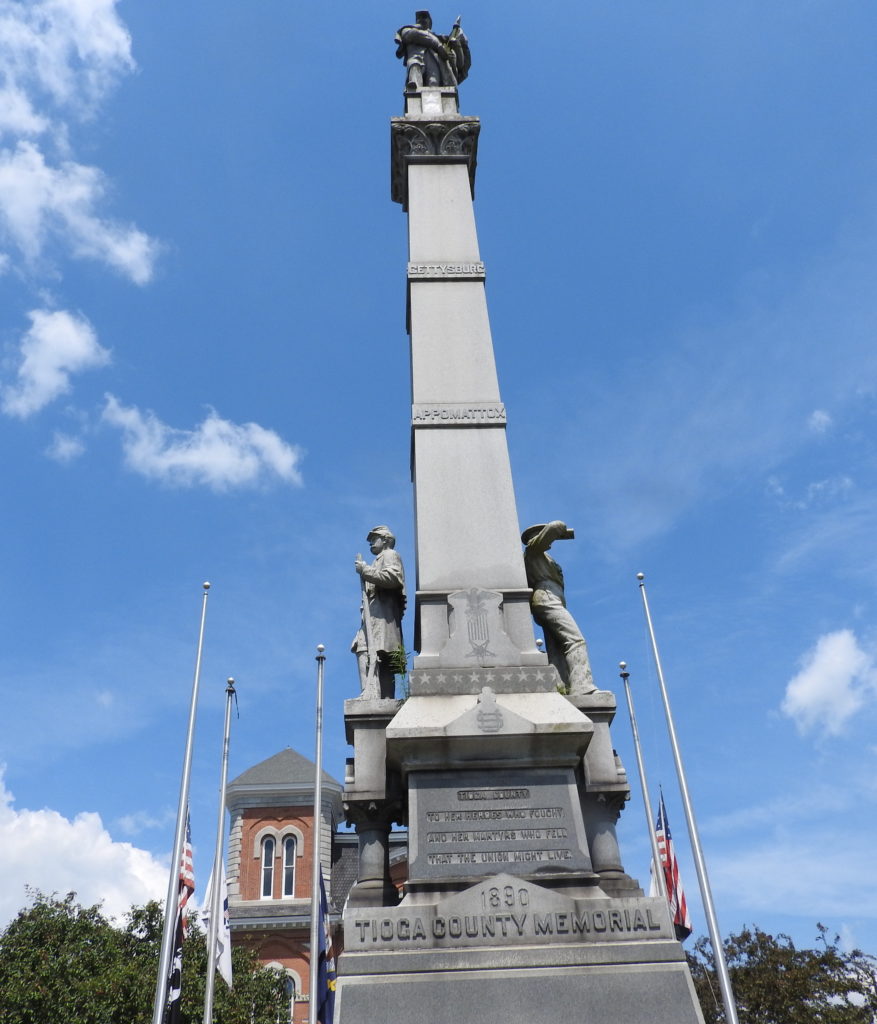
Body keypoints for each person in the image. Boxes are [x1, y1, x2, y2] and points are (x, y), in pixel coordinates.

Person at [521, 521, 596, 695]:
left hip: (551, 599)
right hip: (546, 599)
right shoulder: (533, 552)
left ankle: (561, 686)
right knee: (576, 640)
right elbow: (555, 527)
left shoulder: (545, 558)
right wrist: (560, 530)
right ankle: (582, 685)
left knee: (558, 649)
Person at [352, 526, 406, 699]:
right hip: (374, 612)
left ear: (385, 540)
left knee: (381, 652)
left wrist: (365, 571)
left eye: (374, 538)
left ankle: (383, 696)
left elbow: (392, 578)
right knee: (364, 647)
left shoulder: (390, 555)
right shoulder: (377, 560)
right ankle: (370, 693)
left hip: (384, 614)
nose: (370, 542)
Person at [395, 11, 470, 92]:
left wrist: (457, 45)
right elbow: (412, 35)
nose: (421, 19)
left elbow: (459, 64)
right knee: (415, 69)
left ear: (430, 22)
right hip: (416, 59)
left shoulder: (442, 39)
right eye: (419, 18)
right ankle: (414, 90)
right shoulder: (407, 29)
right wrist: (438, 45)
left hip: (435, 62)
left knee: (433, 82)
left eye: (424, 17)